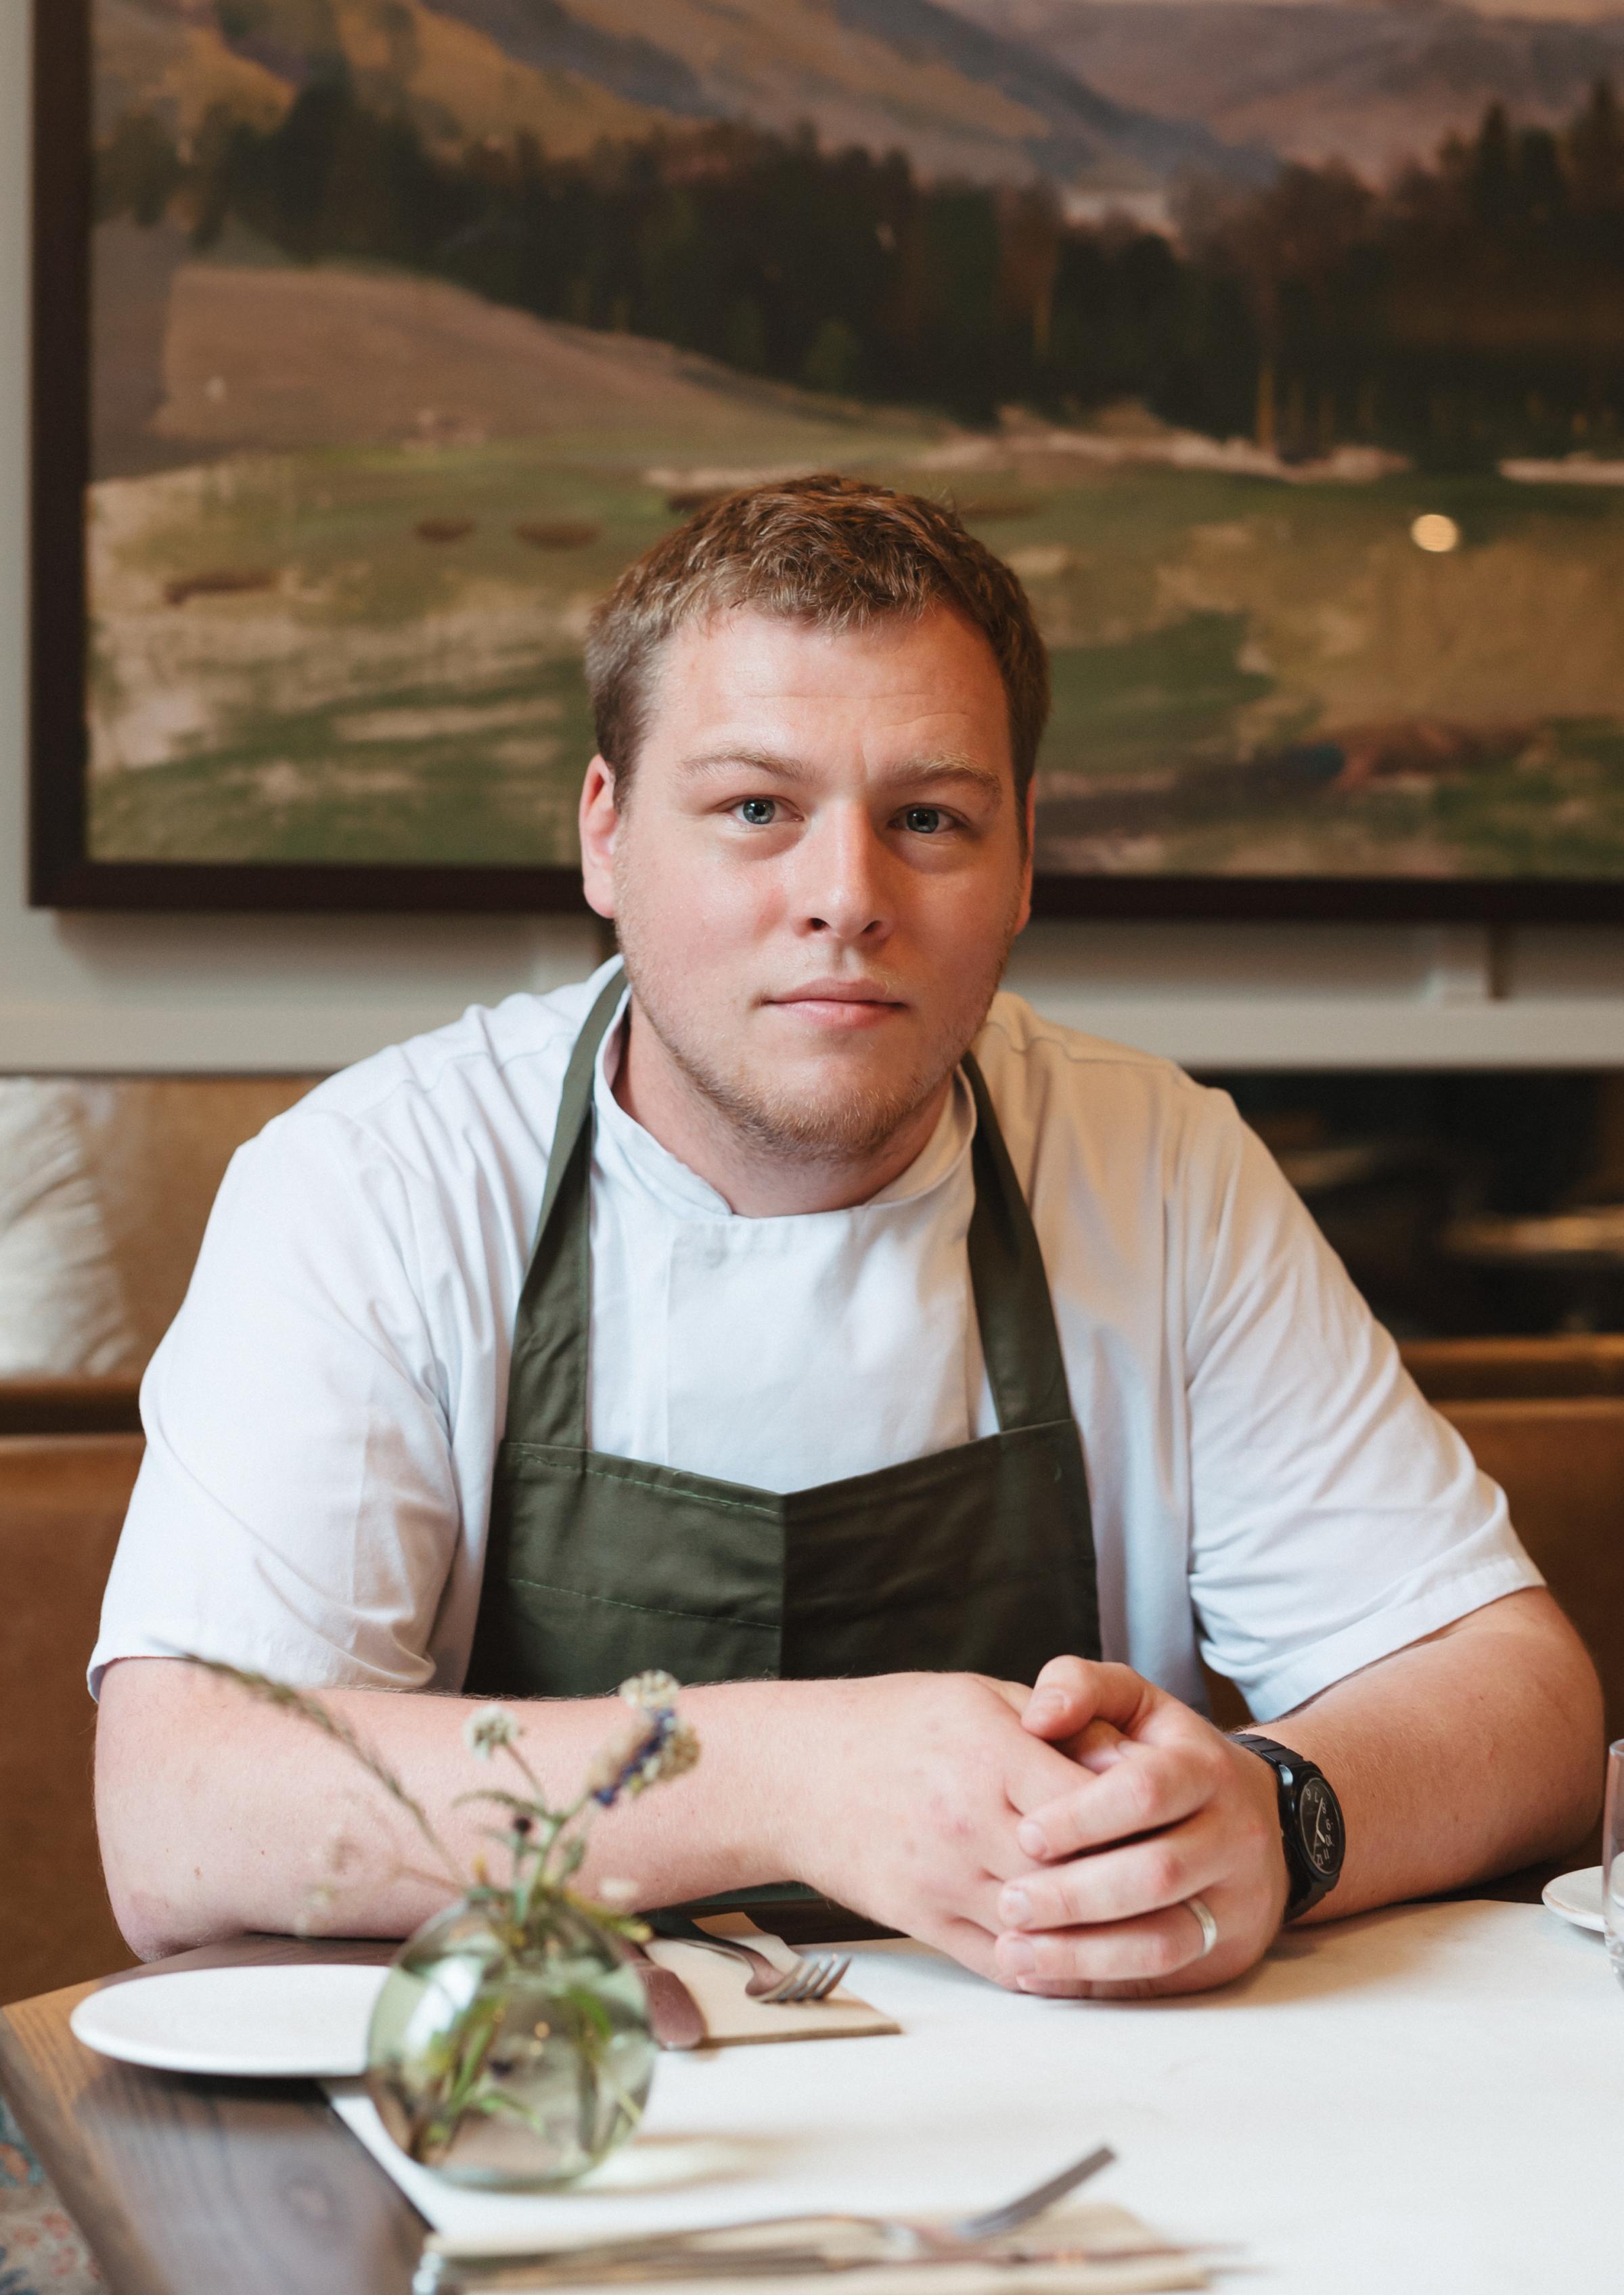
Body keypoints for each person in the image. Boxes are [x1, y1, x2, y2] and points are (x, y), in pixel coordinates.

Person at [93, 477, 1601, 1999]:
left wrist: (1283, 1813)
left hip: (1073, 2127)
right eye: (757, 808)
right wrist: (792, 1779)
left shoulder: (1155, 1164)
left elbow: (1521, 1705)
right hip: (534, 2118)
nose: (846, 899)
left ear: (1021, 865)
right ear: (607, 836)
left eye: (928, 818)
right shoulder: (375, 1182)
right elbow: (186, 1811)